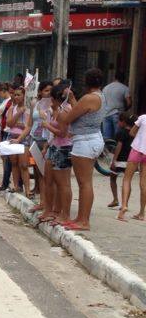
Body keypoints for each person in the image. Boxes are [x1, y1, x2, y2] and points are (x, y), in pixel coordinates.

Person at [58, 68, 106, 231]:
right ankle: (80, 218)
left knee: (84, 183)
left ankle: (83, 221)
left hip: (85, 141)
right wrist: (71, 99)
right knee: (85, 182)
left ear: (86, 82)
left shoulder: (88, 98)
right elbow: (81, 112)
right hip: (92, 138)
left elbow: (68, 119)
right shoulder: (100, 96)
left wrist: (57, 109)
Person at [41, 82, 73, 226]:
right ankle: (50, 210)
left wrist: (47, 126)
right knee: (48, 180)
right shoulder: (56, 110)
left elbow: (63, 133)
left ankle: (63, 213)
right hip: (54, 146)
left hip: (63, 148)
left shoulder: (65, 110)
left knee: (63, 184)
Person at [117, 112, 146, 221]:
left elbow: (132, 133)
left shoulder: (143, 118)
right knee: (143, 183)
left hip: (137, 150)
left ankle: (124, 206)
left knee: (127, 179)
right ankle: (142, 213)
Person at [6, 86, 33, 198]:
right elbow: (9, 123)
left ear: (24, 96)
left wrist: (20, 135)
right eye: (15, 95)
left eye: (19, 95)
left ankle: (28, 190)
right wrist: (18, 114)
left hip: (24, 139)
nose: (16, 97)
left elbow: (28, 126)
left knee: (24, 164)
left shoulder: (29, 110)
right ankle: (16, 186)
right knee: (14, 163)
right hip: (12, 136)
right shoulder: (12, 109)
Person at [28, 81, 52, 205]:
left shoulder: (54, 104)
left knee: (44, 169)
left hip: (46, 140)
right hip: (34, 138)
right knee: (34, 165)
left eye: (50, 90)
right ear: (40, 92)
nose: (48, 93)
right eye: (46, 90)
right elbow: (31, 120)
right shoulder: (35, 103)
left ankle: (45, 198)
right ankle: (37, 187)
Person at [108, 113, 134, 209]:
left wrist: (114, 160)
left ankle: (115, 199)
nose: (118, 123)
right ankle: (125, 203)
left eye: (119, 121)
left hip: (120, 160)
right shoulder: (134, 133)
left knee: (113, 178)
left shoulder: (121, 133)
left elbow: (119, 146)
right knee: (127, 181)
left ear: (123, 122)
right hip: (131, 160)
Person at [100, 71, 131, 141]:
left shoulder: (106, 88)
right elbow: (129, 103)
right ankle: (115, 151)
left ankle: (107, 150)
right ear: (124, 79)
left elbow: (102, 101)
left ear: (114, 78)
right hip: (118, 114)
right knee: (117, 137)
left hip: (106, 114)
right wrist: (125, 110)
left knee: (106, 138)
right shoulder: (125, 88)